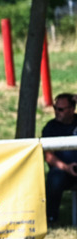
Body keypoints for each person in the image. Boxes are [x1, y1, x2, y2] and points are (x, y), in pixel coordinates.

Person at [42, 93, 77, 226]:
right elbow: (49, 156)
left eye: (61, 109)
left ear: (72, 109)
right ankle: (51, 218)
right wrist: (66, 167)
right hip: (63, 172)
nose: (57, 112)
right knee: (55, 178)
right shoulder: (51, 127)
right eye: (55, 108)